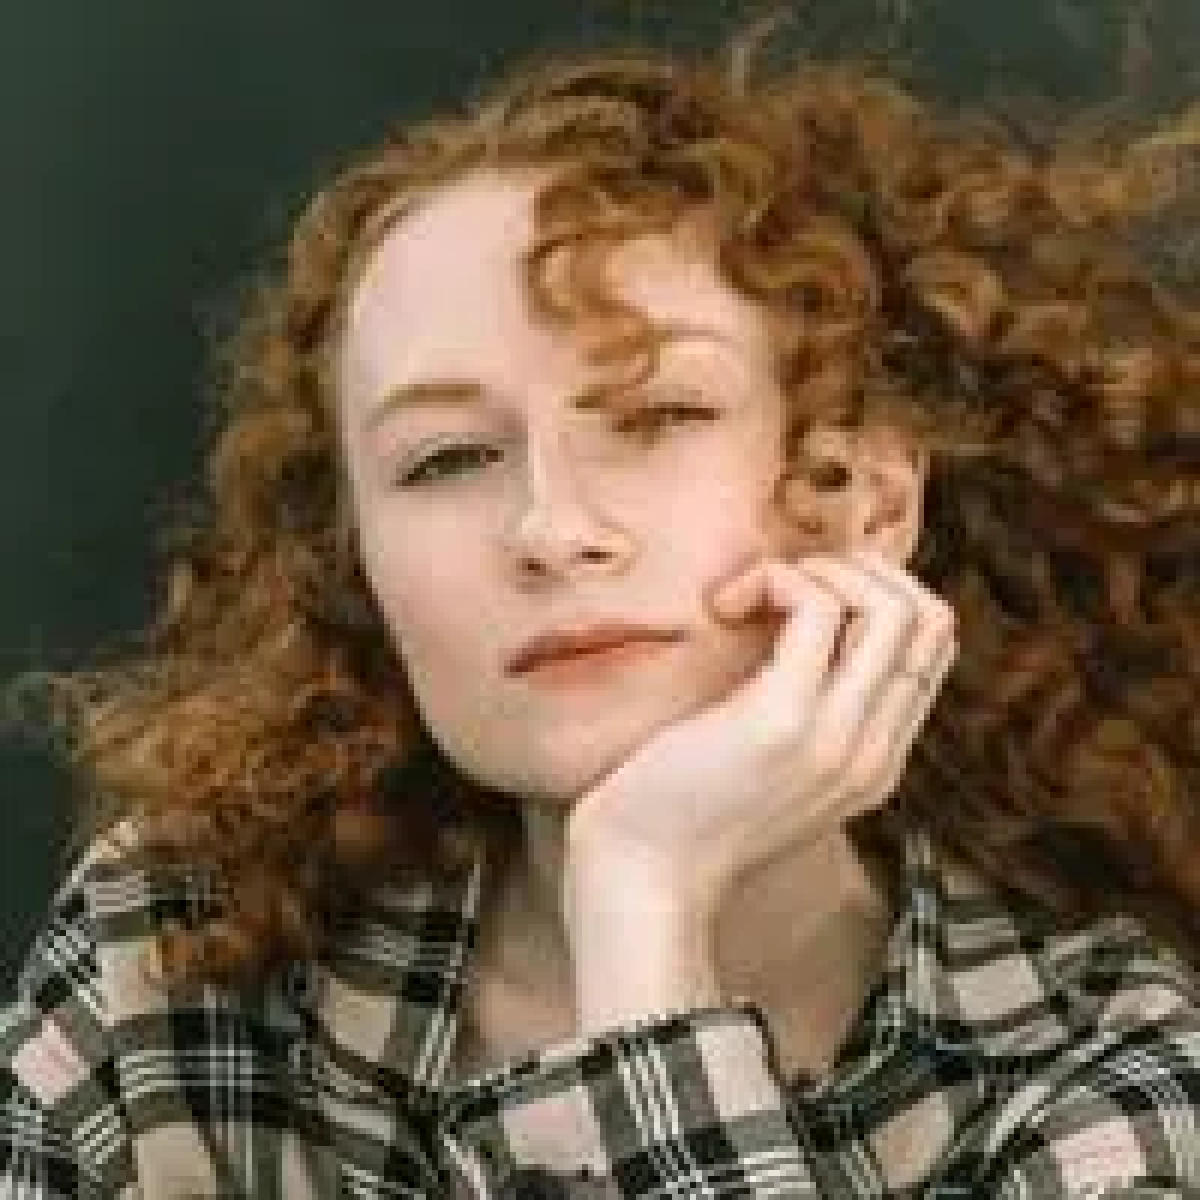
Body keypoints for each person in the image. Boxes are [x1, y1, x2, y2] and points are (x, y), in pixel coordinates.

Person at [2, 9, 1199, 1197]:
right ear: (356, 558)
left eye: (655, 416)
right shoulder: (165, 963)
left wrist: (644, 901)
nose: (551, 529)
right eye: (447, 459)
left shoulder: (1109, 1071)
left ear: (856, 498)